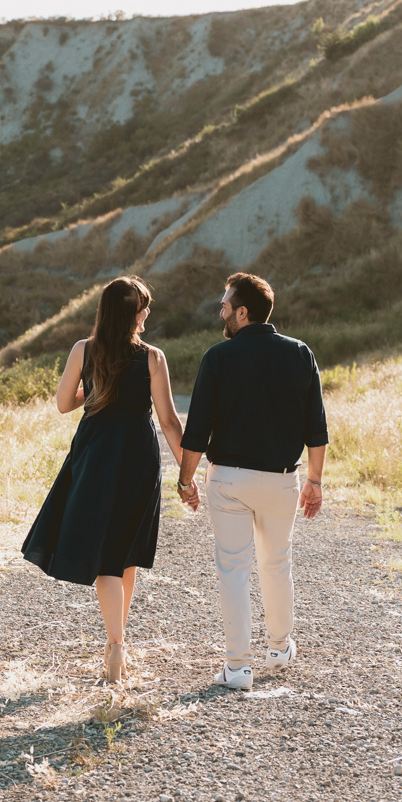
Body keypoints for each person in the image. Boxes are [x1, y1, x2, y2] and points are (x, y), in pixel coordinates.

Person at [22, 276, 186, 683]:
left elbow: (64, 404)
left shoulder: (84, 350)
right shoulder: (153, 357)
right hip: (138, 456)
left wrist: (98, 392)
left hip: (96, 452)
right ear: (131, 313)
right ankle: (117, 644)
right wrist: (187, 475)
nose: (148, 312)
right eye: (144, 306)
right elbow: (168, 421)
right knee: (124, 551)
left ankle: (116, 644)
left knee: (109, 554)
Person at [175, 272, 329, 691]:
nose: (221, 312)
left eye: (225, 306)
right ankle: (278, 648)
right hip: (282, 481)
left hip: (228, 480)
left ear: (242, 312)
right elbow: (316, 427)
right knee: (277, 562)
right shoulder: (300, 353)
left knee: (234, 569)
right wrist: (315, 481)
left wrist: (186, 481)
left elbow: (197, 431)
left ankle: (238, 667)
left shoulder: (217, 358)